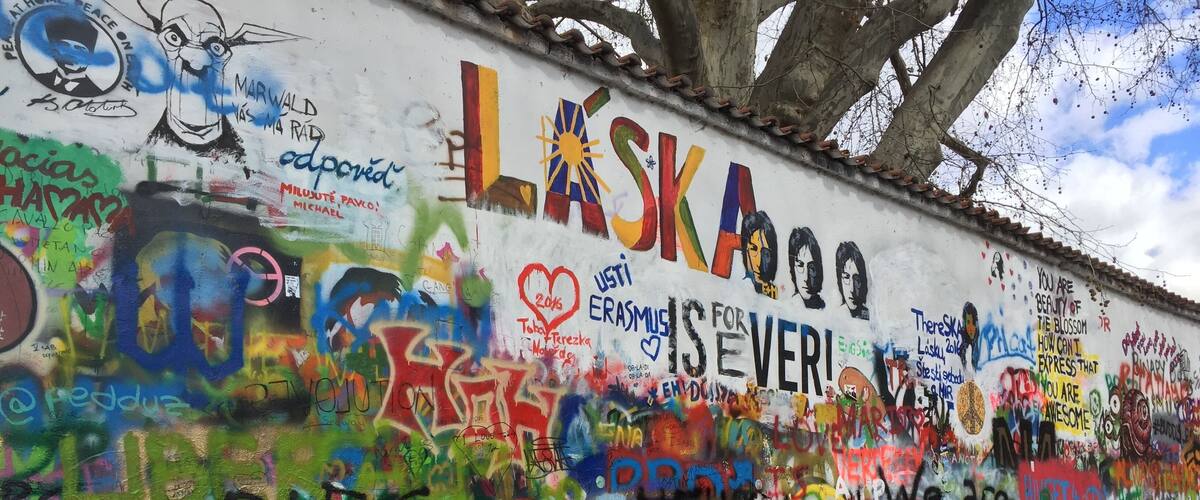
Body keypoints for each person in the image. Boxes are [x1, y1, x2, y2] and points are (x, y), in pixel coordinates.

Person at [33, 14, 105, 97]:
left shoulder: (97, 94)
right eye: (65, 46)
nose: (71, 54)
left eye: (80, 49)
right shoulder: (36, 79)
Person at [741, 211, 778, 298]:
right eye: (753, 249)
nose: (759, 260)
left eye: (765, 253)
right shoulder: (740, 290)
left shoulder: (774, 293)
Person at [788, 227, 825, 309]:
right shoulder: (789, 307)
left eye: (811, 268)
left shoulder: (824, 310)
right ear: (792, 267)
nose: (806, 278)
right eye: (800, 265)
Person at [835, 241, 869, 320]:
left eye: (856, 279)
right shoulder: (836, 317)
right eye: (846, 277)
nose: (852, 289)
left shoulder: (870, 316)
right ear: (840, 281)